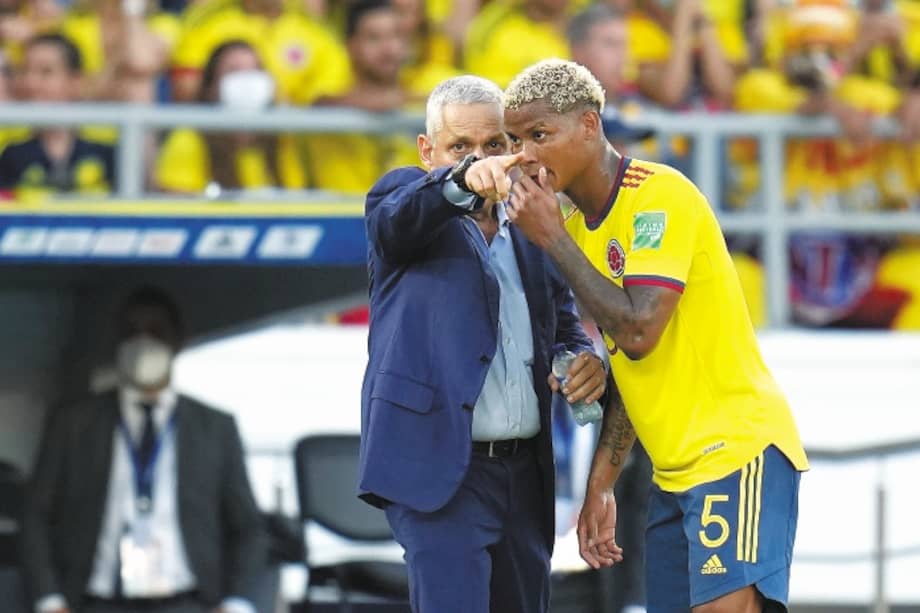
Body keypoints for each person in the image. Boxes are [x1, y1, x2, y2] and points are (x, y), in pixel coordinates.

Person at [490, 59, 808, 612]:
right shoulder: (576, 227)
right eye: (515, 139)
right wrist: (601, 485)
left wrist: (551, 238)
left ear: (590, 125)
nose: (526, 155)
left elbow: (638, 330)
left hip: (734, 452)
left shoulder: (658, 196)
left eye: (540, 135)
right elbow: (632, 364)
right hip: (671, 475)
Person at [359, 74, 607, 613]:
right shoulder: (403, 198)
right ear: (428, 151)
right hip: (443, 474)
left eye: (494, 145)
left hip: (525, 476)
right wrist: (463, 183)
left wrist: (577, 361)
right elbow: (396, 224)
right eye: (459, 147)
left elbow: (560, 322)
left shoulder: (533, 219)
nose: (480, 159)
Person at [21, 286, 267, 613]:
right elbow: (36, 515)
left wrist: (236, 603)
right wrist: (49, 600)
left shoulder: (214, 428)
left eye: (155, 332)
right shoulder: (74, 423)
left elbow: (249, 526)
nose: (143, 343)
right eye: (131, 333)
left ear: (177, 340)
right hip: (95, 601)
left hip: (188, 601)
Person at [155, 40, 305, 194]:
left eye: (255, 70)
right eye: (234, 71)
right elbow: (178, 212)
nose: (247, 80)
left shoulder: (282, 142)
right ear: (211, 86)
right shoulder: (188, 140)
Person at [300, 0, 418, 195]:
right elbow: (318, 103)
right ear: (351, 46)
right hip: (341, 217)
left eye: (396, 36)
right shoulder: (331, 89)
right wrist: (391, 101)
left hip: (412, 217)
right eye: (374, 38)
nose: (388, 49)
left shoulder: (428, 82)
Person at [0, 33, 115, 197]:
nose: (30, 83)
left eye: (46, 72)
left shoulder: (106, 149)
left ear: (76, 81)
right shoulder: (9, 152)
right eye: (24, 71)